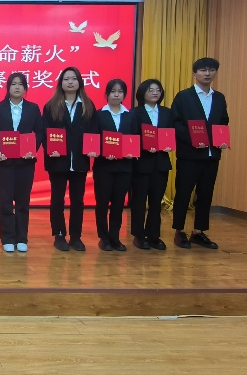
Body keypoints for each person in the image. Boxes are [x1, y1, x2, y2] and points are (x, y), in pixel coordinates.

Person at [171, 57, 229, 250]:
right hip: (189, 154)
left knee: (206, 193)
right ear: (194, 74)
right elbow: (176, 123)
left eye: (211, 70)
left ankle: (198, 231)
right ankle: (179, 231)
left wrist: (222, 138)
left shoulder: (219, 98)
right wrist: (193, 139)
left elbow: (223, 122)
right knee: (183, 193)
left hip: (212, 155)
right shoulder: (183, 96)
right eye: (203, 70)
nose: (207, 73)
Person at [0, 73, 44, 252]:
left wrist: (32, 148)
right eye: (13, 84)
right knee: (5, 201)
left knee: (22, 201)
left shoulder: (33, 108)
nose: (17, 87)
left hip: (25, 162)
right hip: (4, 162)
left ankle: (22, 238)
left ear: (25, 88)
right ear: (8, 87)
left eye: (20, 84)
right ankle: (8, 238)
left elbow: (40, 132)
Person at [42, 67, 97, 252]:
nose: (70, 82)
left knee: (78, 201)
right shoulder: (51, 106)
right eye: (66, 79)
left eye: (74, 79)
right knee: (57, 199)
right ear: (61, 83)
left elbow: (93, 132)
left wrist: (93, 149)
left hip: (80, 161)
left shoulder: (88, 105)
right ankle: (59, 235)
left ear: (79, 82)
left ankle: (76, 236)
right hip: (58, 161)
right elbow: (45, 132)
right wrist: (50, 149)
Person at [93, 78, 136, 252]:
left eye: (120, 92)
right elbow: (93, 139)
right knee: (102, 203)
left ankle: (115, 237)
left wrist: (132, 151)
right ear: (106, 94)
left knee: (118, 204)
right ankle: (104, 238)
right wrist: (104, 152)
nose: (116, 95)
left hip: (124, 167)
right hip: (104, 167)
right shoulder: (98, 115)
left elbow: (134, 138)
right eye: (113, 91)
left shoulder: (130, 115)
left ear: (124, 95)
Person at [130, 79, 173, 251]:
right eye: (150, 90)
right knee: (139, 201)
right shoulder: (135, 113)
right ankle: (139, 235)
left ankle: (154, 235)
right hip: (142, 163)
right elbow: (131, 137)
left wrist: (170, 145)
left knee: (156, 202)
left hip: (161, 163)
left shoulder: (167, 113)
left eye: (158, 90)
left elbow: (171, 134)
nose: (155, 93)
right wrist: (144, 146)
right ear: (142, 93)